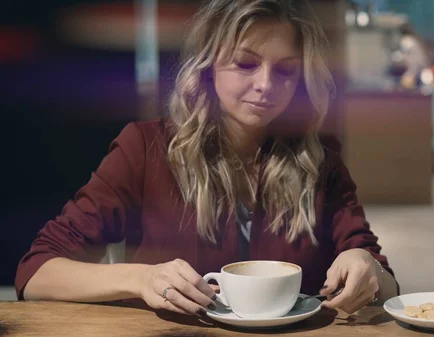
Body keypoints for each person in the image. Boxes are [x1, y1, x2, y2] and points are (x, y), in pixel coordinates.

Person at [15, 0, 399, 317]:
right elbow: (36, 274)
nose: (266, 85)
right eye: (245, 64)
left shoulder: (319, 158)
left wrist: (368, 268)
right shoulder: (145, 149)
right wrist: (140, 279)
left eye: (285, 70)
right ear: (207, 67)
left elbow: (384, 280)